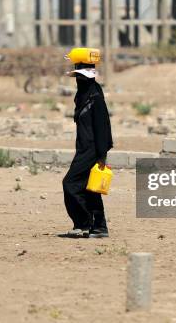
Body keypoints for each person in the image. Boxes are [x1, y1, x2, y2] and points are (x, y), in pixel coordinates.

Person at [61, 56, 113, 239]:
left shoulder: (93, 95)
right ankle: (99, 227)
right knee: (89, 188)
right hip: (85, 148)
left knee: (70, 184)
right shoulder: (85, 94)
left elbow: (102, 126)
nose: (78, 79)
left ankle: (82, 224)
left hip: (91, 149)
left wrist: (101, 155)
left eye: (79, 76)